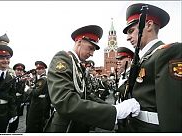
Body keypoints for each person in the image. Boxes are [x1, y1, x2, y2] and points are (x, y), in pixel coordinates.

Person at [44, 25, 140, 132]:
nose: (92, 54)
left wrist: (113, 109)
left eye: (94, 50)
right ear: (79, 41)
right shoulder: (63, 59)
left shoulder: (79, 66)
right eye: (90, 48)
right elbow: (64, 101)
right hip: (66, 127)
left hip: (79, 124)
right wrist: (115, 111)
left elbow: (88, 95)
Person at [123, 3, 182, 132]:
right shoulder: (145, 58)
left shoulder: (167, 53)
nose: (128, 38)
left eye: (131, 31)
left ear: (148, 25)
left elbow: (172, 111)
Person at [26, 61, 51, 132]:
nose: (38, 70)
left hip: (38, 104)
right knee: (38, 123)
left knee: (33, 123)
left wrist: (27, 89)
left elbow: (35, 93)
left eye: (40, 68)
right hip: (41, 103)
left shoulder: (43, 79)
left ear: (44, 69)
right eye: (37, 68)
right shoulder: (41, 78)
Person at [7, 63, 27, 133]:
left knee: (15, 121)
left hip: (18, 103)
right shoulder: (10, 78)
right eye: (18, 70)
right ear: (14, 70)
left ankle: (12, 131)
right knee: (8, 121)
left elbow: (21, 92)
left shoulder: (22, 80)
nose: (19, 71)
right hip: (10, 103)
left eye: (21, 70)